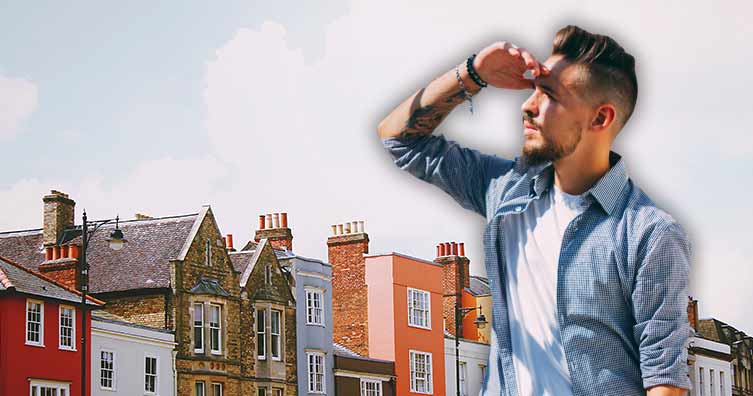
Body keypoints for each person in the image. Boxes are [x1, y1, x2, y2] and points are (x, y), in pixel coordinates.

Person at [378, 25, 692, 396]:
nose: (528, 106)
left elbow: (664, 379)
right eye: (534, 90)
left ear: (600, 119)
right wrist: (474, 73)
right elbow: (398, 138)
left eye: (550, 95)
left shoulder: (648, 233)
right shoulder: (505, 189)